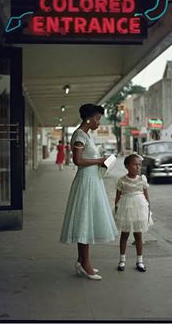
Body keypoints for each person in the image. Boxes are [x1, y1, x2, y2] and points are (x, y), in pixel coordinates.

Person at [60, 103, 118, 281]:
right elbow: (77, 161)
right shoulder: (79, 135)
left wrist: (101, 162)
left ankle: (81, 260)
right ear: (89, 118)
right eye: (97, 118)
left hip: (92, 180)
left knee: (87, 220)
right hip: (86, 181)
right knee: (85, 221)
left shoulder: (85, 135)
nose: (98, 122)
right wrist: (100, 160)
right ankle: (86, 264)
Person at [114, 154, 153, 272]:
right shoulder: (122, 180)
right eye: (135, 164)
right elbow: (117, 199)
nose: (138, 167)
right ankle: (122, 260)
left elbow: (147, 198)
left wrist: (148, 211)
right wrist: (116, 212)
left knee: (138, 236)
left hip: (139, 209)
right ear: (127, 166)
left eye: (139, 165)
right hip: (125, 209)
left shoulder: (142, 179)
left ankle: (140, 261)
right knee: (124, 235)